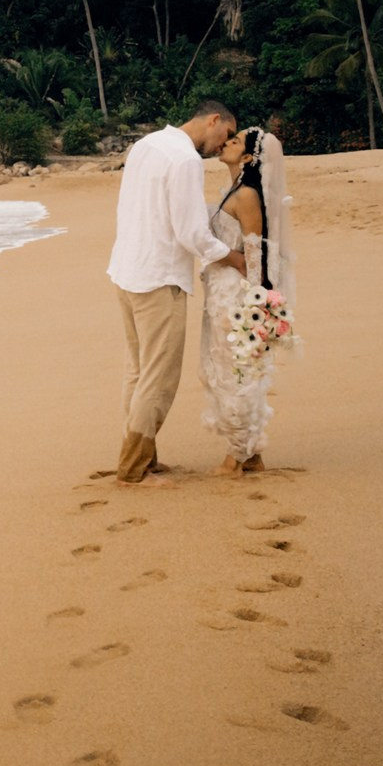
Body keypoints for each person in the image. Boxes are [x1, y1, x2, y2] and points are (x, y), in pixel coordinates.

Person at [106, 99, 243, 483]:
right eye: (227, 134)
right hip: (158, 277)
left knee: (137, 372)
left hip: (126, 269)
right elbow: (191, 233)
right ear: (214, 120)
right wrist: (233, 258)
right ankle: (133, 468)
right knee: (158, 378)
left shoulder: (147, 144)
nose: (222, 144)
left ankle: (141, 456)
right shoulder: (184, 160)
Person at [198, 128, 294, 472]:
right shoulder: (233, 191)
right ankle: (251, 453)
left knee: (234, 372)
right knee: (225, 370)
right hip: (220, 292)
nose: (225, 143)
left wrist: (256, 307)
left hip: (235, 298)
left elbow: (255, 255)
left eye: (235, 142)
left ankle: (236, 454)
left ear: (249, 158)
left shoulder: (247, 196)